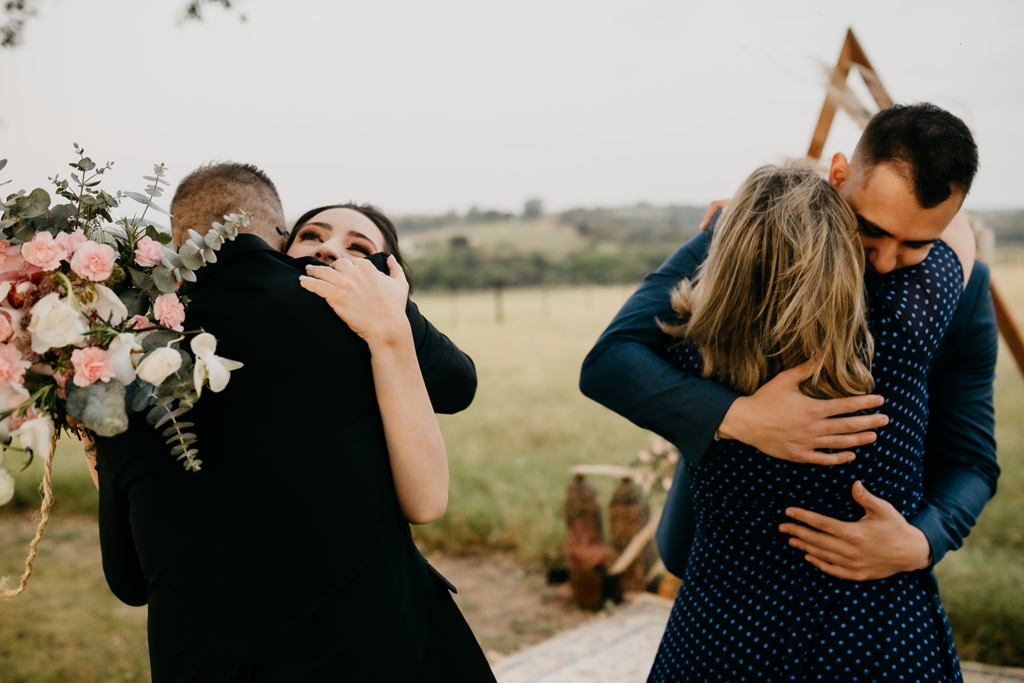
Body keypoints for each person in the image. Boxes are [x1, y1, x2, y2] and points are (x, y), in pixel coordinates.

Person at [93, 163, 497, 682]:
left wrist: (393, 326)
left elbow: (129, 582)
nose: (331, 251)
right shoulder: (158, 342)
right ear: (280, 246)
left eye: (359, 247)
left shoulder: (125, 353)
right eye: (313, 236)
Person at [580, 103, 997, 589]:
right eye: (872, 229)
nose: (885, 262)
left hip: (863, 603)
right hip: (721, 568)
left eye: (916, 245)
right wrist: (741, 418)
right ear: (838, 175)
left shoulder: (964, 289)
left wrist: (923, 541)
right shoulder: (743, 237)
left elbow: (972, 461)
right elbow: (609, 360)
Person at [646, 159, 968, 680]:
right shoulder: (904, 329)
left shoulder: (687, 352)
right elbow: (956, 231)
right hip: (875, 641)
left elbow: (617, 351)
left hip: (716, 640)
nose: (886, 260)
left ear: (725, 255)